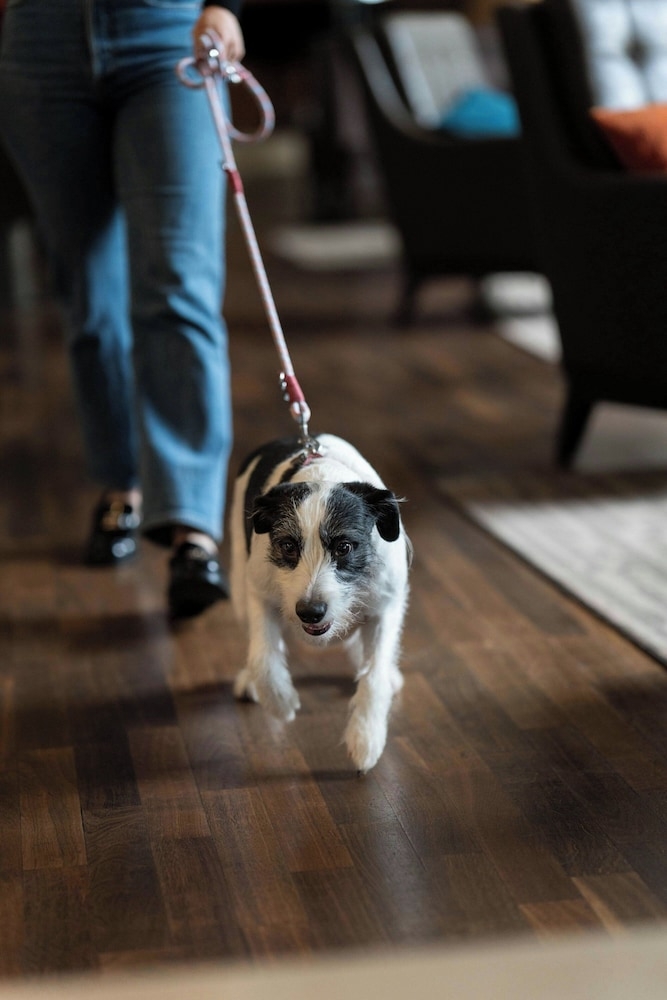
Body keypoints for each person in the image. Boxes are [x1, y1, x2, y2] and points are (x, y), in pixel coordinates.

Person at [0, 0, 245, 619]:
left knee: (178, 278)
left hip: (169, 32)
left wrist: (223, 5)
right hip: (40, 45)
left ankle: (192, 528)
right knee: (87, 289)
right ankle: (121, 484)